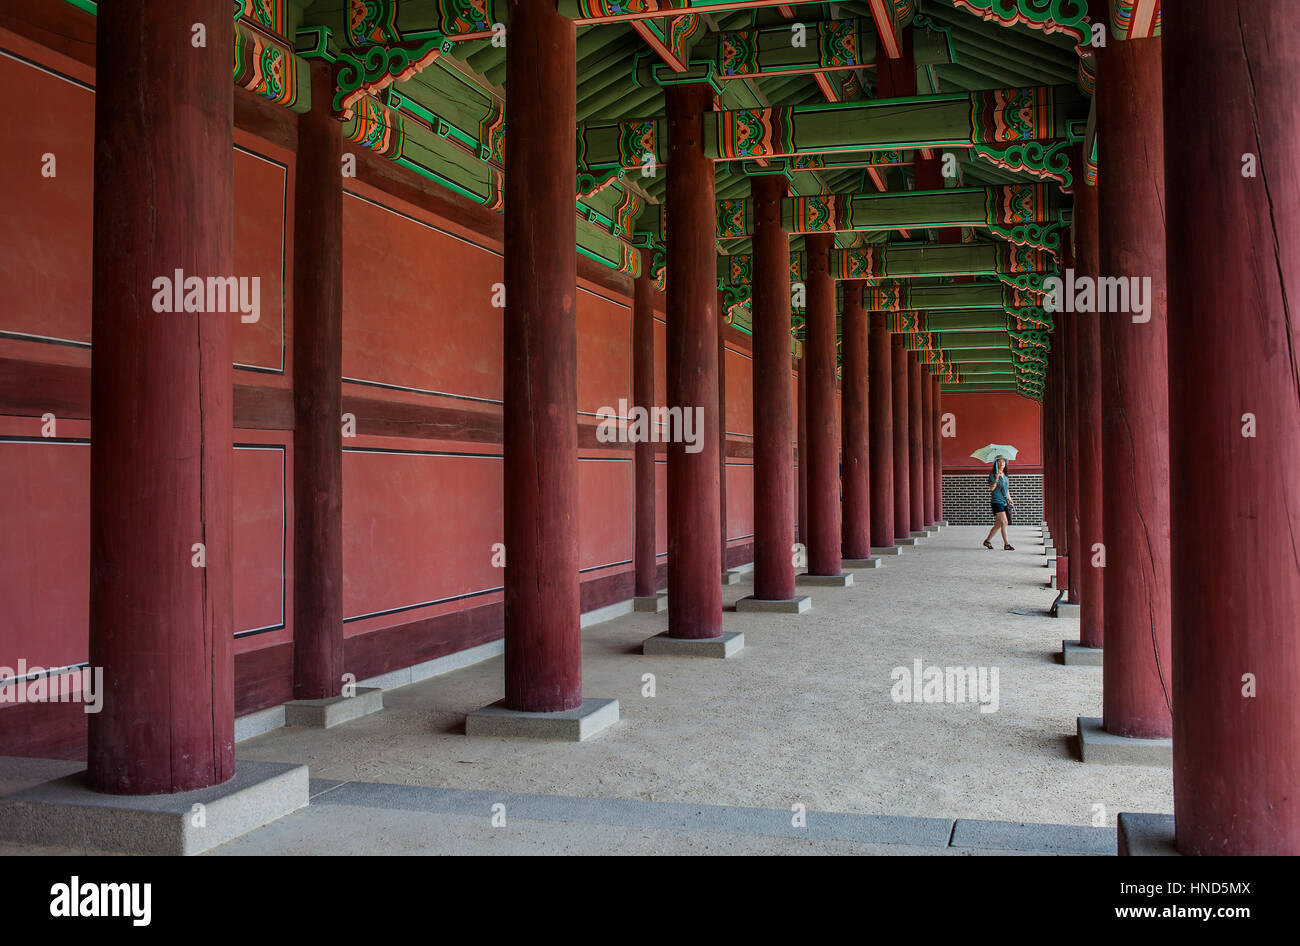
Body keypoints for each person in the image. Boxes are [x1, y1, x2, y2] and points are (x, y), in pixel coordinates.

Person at [982, 456, 1015, 550]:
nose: (1002, 464)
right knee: (1004, 522)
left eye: (1003, 462)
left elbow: (1006, 489)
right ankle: (1007, 544)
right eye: (999, 462)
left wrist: (1010, 498)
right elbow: (991, 488)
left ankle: (987, 541)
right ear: (996, 464)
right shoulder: (993, 475)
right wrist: (996, 478)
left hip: (1004, 501)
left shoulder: (1005, 475)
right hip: (996, 501)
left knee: (998, 524)